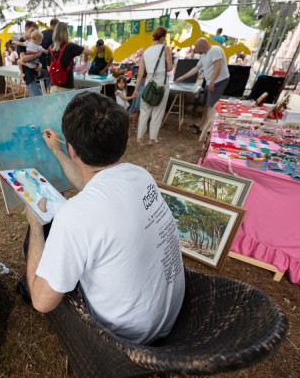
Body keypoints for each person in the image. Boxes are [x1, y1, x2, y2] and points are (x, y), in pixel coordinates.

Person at [22, 91, 185, 345]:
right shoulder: (139, 175)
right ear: (123, 142)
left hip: (127, 337)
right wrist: (57, 151)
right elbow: (92, 186)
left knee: (38, 238)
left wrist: (34, 226)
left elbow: (42, 303)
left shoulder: (75, 216)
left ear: (74, 150)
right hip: (166, 317)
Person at [175, 38, 230, 136]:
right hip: (210, 81)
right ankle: (201, 123)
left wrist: (212, 82)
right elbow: (196, 68)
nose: (196, 51)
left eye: (197, 49)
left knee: (210, 106)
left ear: (202, 46)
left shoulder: (215, 50)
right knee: (205, 104)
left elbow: (218, 66)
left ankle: (205, 129)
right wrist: (183, 77)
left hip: (218, 81)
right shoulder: (204, 55)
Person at [133, 26, 173, 144]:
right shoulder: (166, 48)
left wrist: (136, 90)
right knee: (157, 111)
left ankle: (139, 137)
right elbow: (170, 68)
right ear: (162, 37)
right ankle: (152, 138)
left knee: (144, 109)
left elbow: (140, 74)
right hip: (161, 81)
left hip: (148, 82)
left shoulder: (146, 51)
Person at [47, 22, 93, 93]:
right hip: (67, 88)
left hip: (53, 87)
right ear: (66, 33)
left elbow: (49, 69)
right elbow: (90, 52)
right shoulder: (70, 47)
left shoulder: (50, 49)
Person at [17, 20, 44, 97]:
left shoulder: (32, 42)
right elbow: (23, 58)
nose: (33, 34)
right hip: (30, 76)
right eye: (32, 31)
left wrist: (39, 65)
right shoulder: (22, 42)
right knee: (38, 100)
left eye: (35, 32)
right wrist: (36, 55)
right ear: (26, 29)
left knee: (35, 99)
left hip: (35, 74)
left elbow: (38, 60)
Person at [40, 18, 58, 93]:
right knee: (49, 87)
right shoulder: (55, 35)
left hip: (40, 64)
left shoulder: (42, 33)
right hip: (50, 65)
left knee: (42, 86)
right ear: (56, 25)